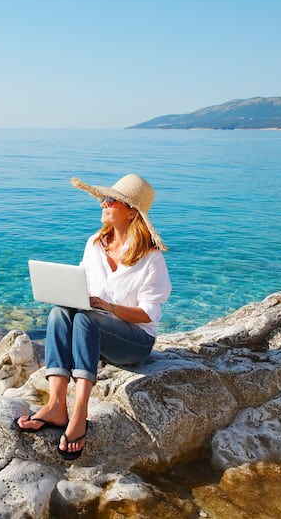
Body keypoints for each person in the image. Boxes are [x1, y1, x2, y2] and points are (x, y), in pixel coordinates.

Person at [16, 173, 172, 461]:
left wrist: (110, 307)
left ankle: (80, 413)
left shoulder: (151, 259)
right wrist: (71, 296)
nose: (103, 203)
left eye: (111, 200)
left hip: (135, 342)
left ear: (131, 212)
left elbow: (148, 314)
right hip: (97, 336)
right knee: (60, 313)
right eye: (104, 198)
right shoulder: (95, 244)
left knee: (87, 320)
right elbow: (82, 286)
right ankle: (56, 404)